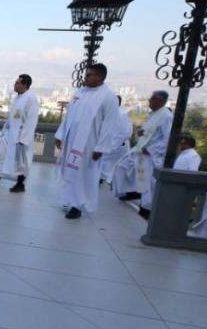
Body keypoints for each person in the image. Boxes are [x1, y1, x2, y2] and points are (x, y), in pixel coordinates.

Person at [54, 63, 121, 219]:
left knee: (83, 174)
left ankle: (78, 205)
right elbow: (69, 115)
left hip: (89, 144)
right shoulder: (80, 92)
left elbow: (110, 124)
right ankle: (68, 200)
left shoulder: (108, 97)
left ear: (100, 77)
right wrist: (60, 135)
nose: (85, 77)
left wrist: (101, 147)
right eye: (86, 74)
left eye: (89, 75)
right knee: (69, 171)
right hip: (72, 141)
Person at [112, 90, 173, 219]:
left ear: (160, 101)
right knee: (121, 167)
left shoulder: (166, 116)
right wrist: (142, 132)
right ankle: (130, 191)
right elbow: (150, 132)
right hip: (140, 149)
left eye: (152, 98)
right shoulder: (154, 114)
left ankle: (146, 207)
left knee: (145, 180)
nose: (149, 101)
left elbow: (168, 138)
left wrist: (151, 150)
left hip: (151, 154)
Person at [0, 74, 39, 193]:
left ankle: (20, 184)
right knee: (0, 156)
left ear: (25, 85)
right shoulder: (18, 97)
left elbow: (31, 120)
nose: (15, 85)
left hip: (20, 137)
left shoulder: (31, 98)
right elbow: (12, 117)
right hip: (9, 134)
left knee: (21, 162)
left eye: (17, 83)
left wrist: (24, 139)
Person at [99, 96, 133, 184]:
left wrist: (113, 145)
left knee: (115, 167)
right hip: (109, 145)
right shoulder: (109, 113)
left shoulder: (121, 115)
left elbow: (125, 132)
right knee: (104, 166)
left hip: (118, 146)